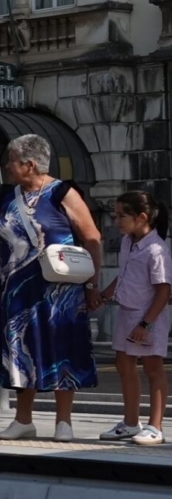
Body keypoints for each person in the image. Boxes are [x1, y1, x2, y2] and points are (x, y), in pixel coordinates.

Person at [0, 133, 100, 441]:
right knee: (20, 348)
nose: (6, 166)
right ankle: (23, 420)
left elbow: (91, 238)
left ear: (30, 165)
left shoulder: (63, 192)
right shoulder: (6, 196)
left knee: (62, 350)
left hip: (60, 292)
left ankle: (64, 421)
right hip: (15, 290)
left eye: (11, 160)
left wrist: (92, 283)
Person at [97, 191, 168, 445]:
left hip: (149, 317)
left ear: (141, 217)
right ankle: (130, 422)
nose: (117, 221)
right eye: (115, 215)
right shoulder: (129, 242)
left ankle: (155, 427)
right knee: (124, 365)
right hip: (127, 313)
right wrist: (104, 296)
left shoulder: (156, 250)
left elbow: (163, 290)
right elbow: (124, 275)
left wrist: (146, 324)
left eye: (122, 216)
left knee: (153, 368)